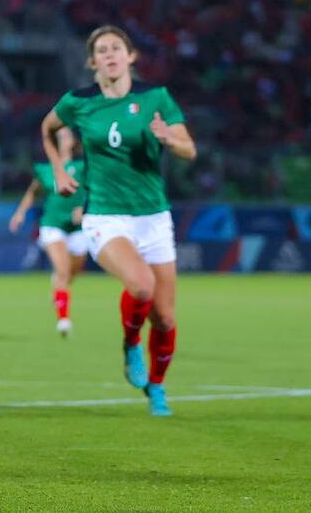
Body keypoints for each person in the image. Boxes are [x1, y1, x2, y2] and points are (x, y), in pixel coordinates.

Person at [41, 25, 196, 416]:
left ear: (131, 57)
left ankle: (157, 387)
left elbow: (189, 149)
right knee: (141, 285)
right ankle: (130, 345)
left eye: (116, 48)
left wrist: (168, 139)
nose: (110, 55)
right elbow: (47, 129)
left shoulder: (155, 98)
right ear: (93, 62)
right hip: (105, 216)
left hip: (154, 217)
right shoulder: (79, 101)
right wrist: (59, 170)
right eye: (102, 50)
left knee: (165, 317)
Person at [8, 126, 88, 337]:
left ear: (73, 141)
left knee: (73, 272)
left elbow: (95, 188)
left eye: (66, 135)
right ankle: (63, 319)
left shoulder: (83, 166)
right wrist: (19, 213)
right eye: (59, 136)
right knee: (62, 271)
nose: (63, 138)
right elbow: (33, 192)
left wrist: (84, 208)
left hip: (78, 227)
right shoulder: (46, 169)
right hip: (52, 224)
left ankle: (59, 290)